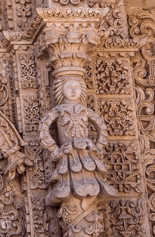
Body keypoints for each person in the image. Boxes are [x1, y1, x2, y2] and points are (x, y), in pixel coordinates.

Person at [39, 75, 117, 205]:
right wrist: (55, 150)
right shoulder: (59, 110)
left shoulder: (85, 110)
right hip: (67, 153)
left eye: (77, 87)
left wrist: (97, 147)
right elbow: (44, 127)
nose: (74, 91)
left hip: (86, 152)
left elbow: (101, 127)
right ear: (60, 90)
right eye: (69, 87)